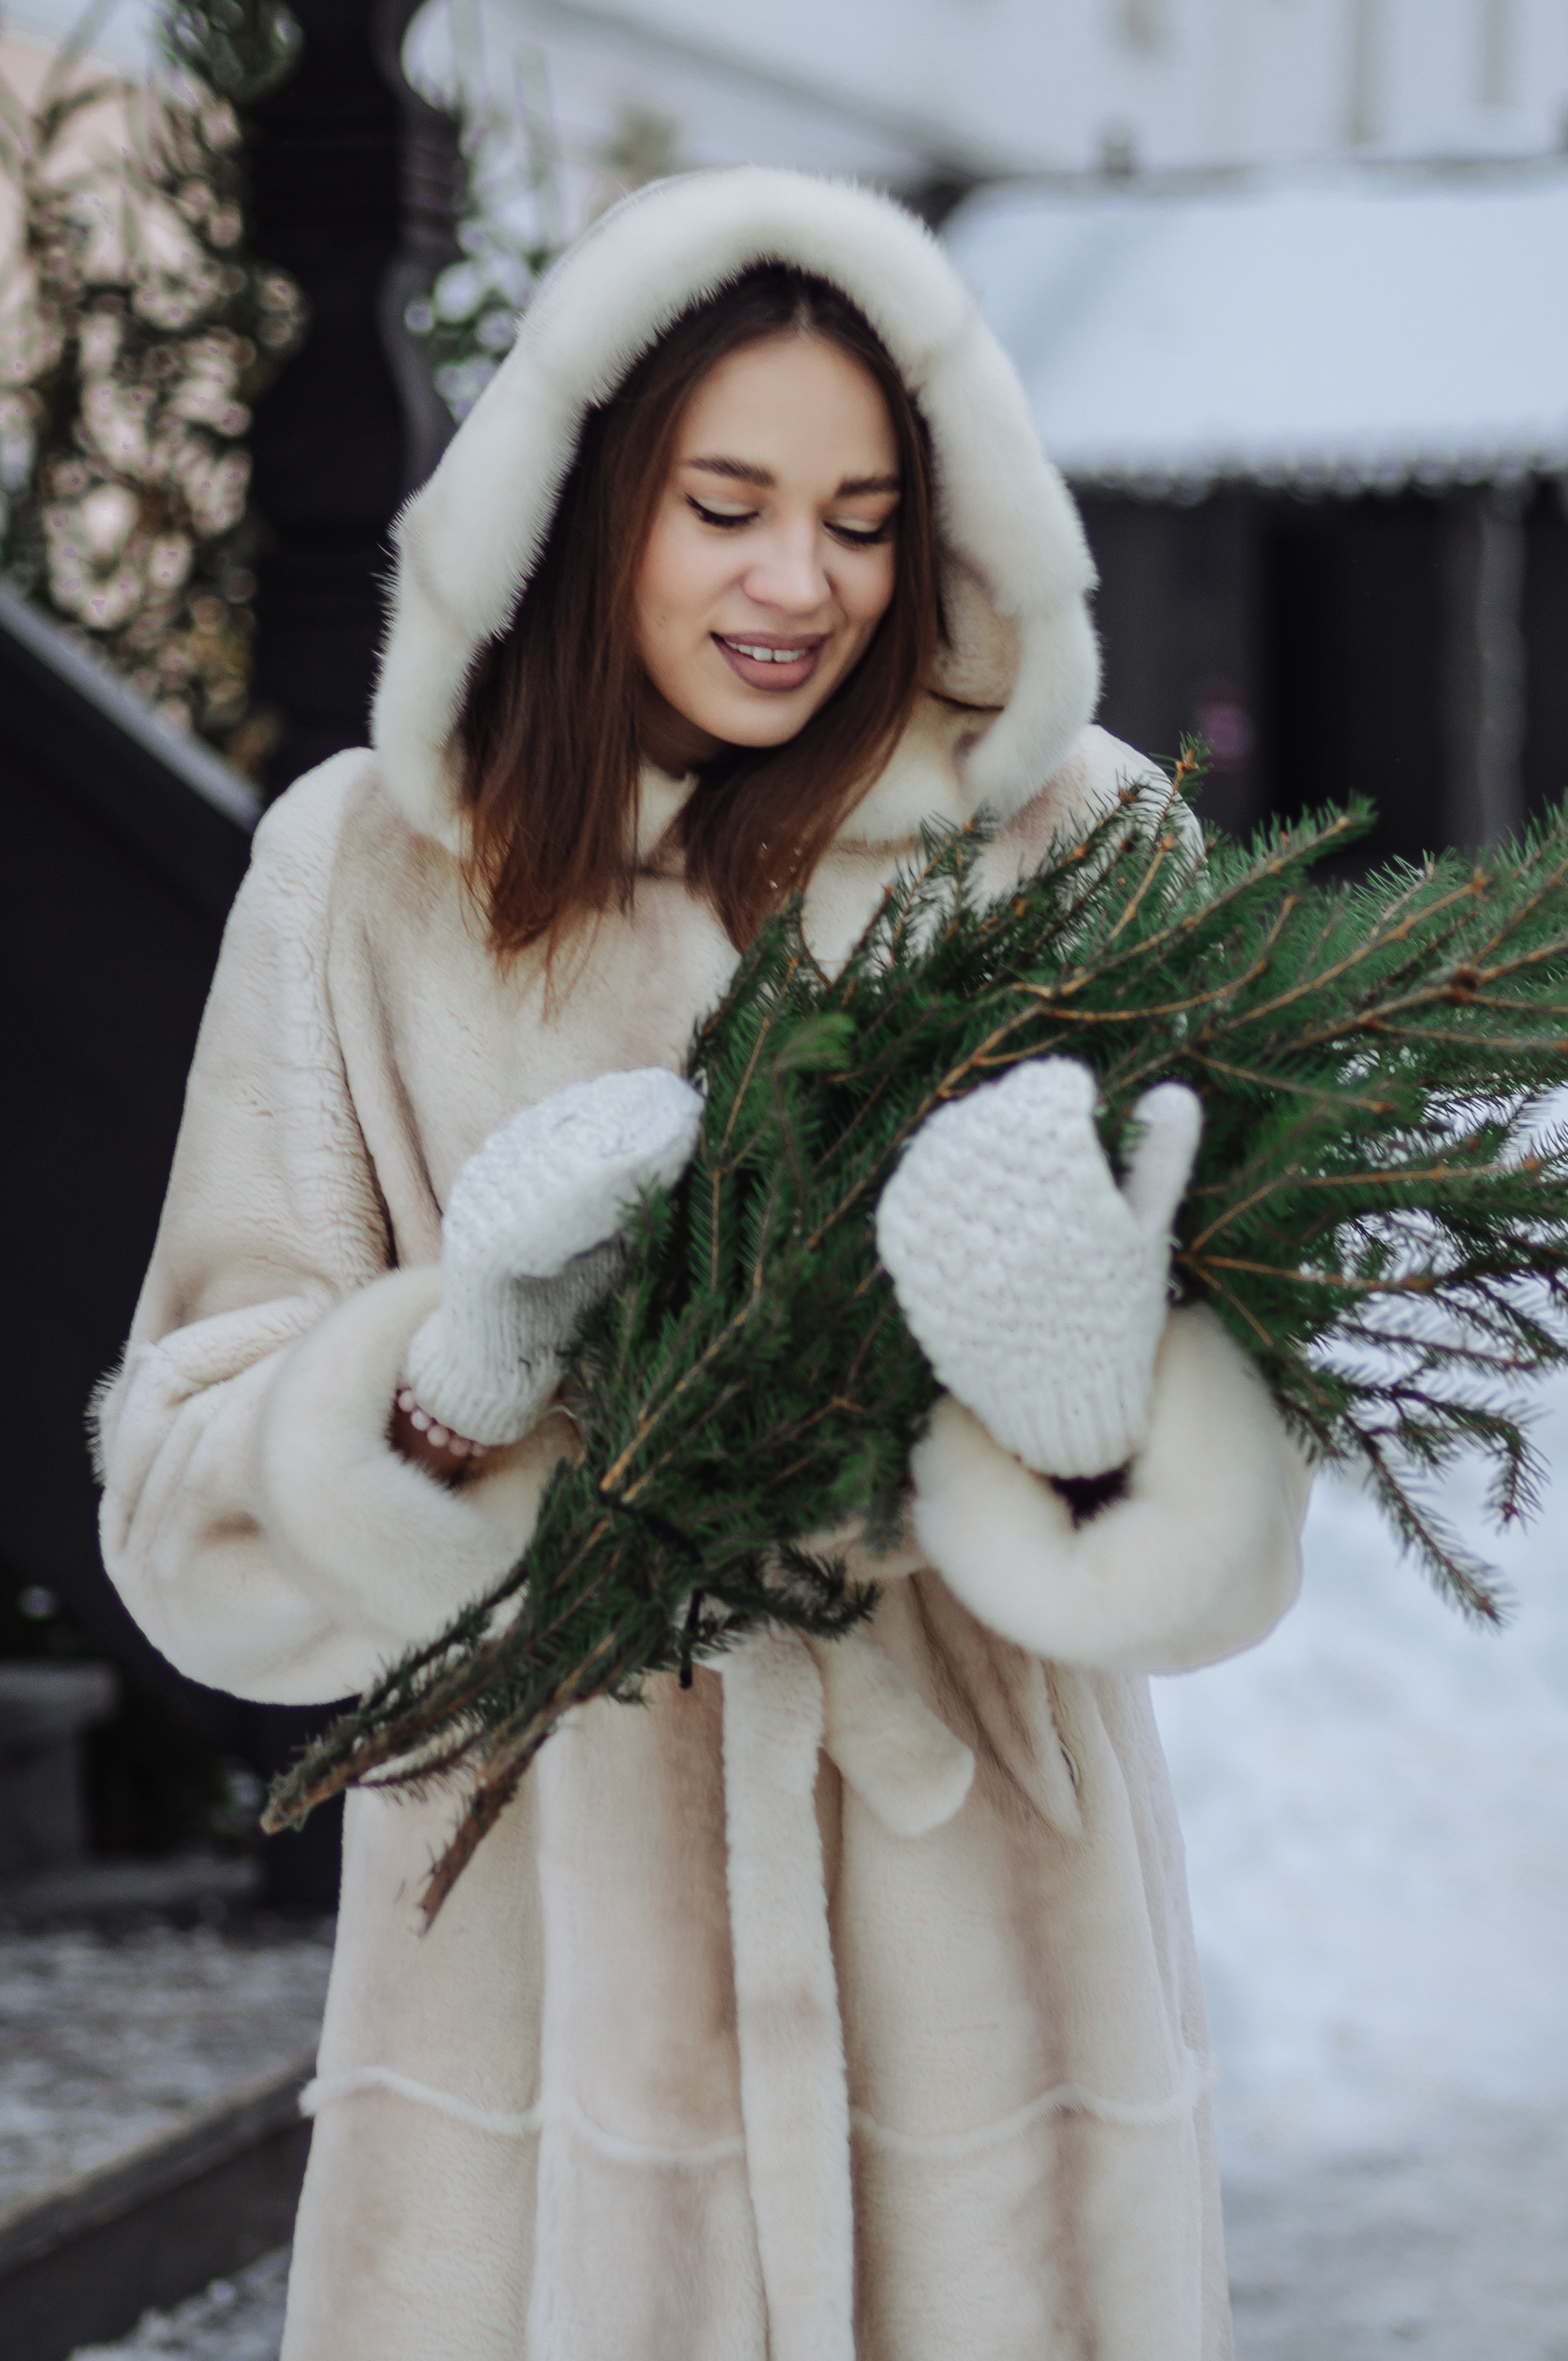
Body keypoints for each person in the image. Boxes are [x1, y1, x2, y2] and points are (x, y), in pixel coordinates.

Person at [94, 169, 1310, 2361]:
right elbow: (189, 1527)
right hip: (538, 2035)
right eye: (723, 502)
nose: (799, 583)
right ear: (581, 501)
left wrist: (1086, 1415)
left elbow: (1238, 1546)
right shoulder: (365, 877)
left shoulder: (1078, 846)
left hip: (990, 2018)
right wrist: (448, 1380)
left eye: (861, 517)